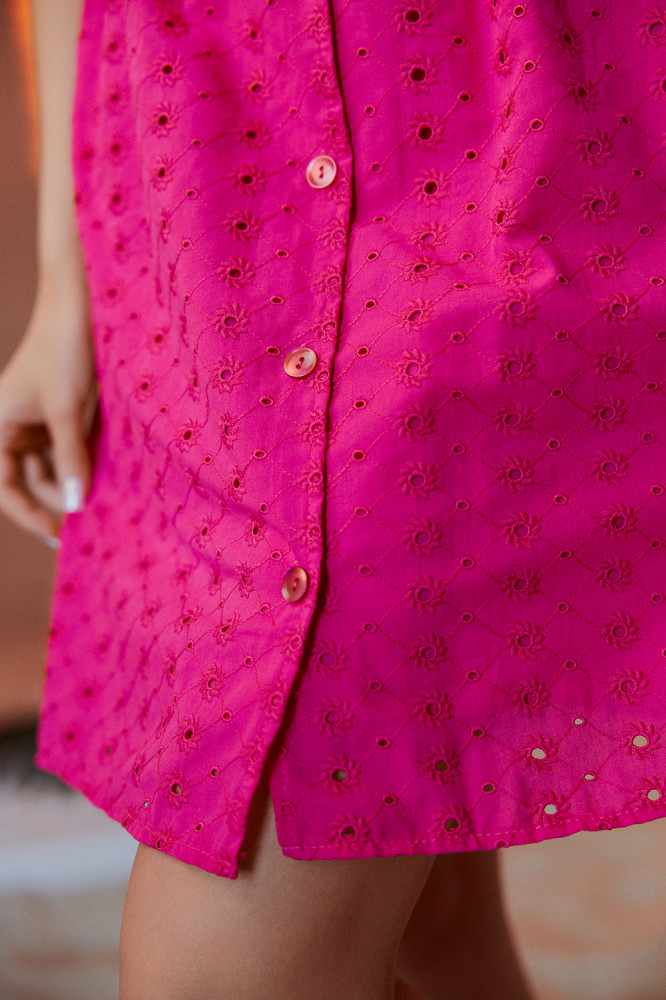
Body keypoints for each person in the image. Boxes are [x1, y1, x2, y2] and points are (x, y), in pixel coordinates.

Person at [1, 2, 664, 997]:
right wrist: (65, 288)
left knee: (257, 914)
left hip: (489, 128)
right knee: (415, 882)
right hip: (199, 192)